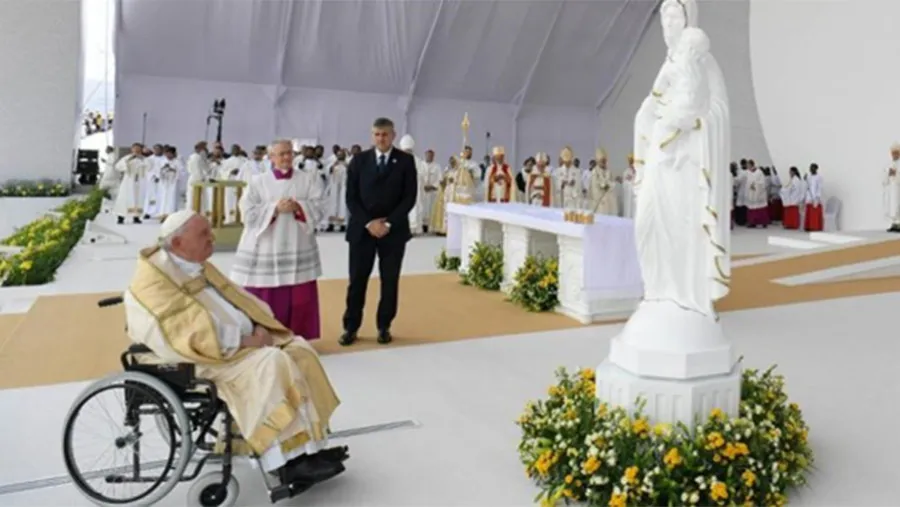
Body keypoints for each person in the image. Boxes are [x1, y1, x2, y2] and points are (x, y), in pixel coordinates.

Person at [122, 210, 346, 485]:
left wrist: (257, 323)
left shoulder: (192, 263)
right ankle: (288, 462)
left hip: (239, 345)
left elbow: (233, 297)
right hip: (208, 357)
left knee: (299, 350)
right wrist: (246, 340)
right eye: (204, 233)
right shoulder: (156, 279)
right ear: (179, 243)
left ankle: (311, 447)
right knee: (273, 363)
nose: (212, 237)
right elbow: (184, 332)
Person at [631, 4, 731, 318]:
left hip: (687, 163)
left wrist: (694, 123)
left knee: (683, 230)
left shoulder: (704, 62)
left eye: (674, 16)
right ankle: (656, 290)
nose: (667, 24)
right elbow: (654, 101)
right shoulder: (669, 63)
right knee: (645, 224)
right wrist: (647, 115)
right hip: (660, 159)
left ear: (689, 22)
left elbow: (720, 112)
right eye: (663, 16)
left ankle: (683, 295)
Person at [230, 140, 325, 341]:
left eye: (289, 153)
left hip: (297, 243)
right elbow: (246, 212)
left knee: (299, 295)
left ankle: (298, 337)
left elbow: (320, 207)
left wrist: (299, 207)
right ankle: (267, 336)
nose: (286, 158)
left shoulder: (308, 179)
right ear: (271, 157)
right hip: (267, 247)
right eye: (281, 154)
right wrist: (274, 208)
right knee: (267, 294)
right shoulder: (258, 182)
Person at [340, 117, 418, 346]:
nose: (381, 138)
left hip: (393, 233)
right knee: (357, 280)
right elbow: (351, 198)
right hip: (362, 231)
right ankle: (351, 326)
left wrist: (389, 223)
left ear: (393, 135)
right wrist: (369, 223)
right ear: (372, 136)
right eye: (377, 134)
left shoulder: (405, 161)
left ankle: (384, 325)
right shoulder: (359, 160)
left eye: (385, 134)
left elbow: (409, 197)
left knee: (390, 280)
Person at [884, 143, 900, 232]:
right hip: (892, 189)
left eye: (896, 153)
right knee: (892, 206)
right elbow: (884, 178)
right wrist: (888, 173)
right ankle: (894, 224)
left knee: (898, 206)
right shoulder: (889, 164)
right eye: (893, 153)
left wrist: (896, 174)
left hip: (898, 188)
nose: (895, 155)